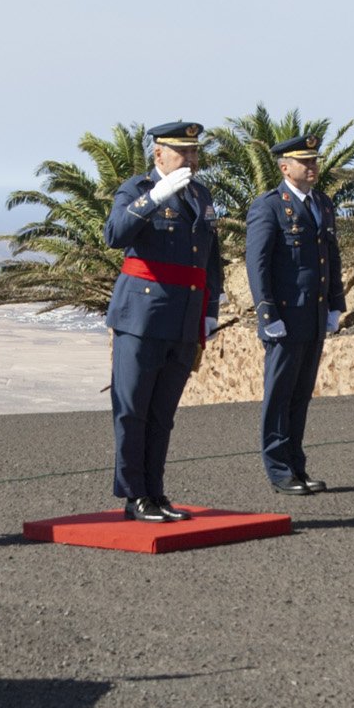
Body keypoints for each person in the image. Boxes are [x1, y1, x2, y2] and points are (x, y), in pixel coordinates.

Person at [106, 121, 223, 522]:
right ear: (159, 155)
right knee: (132, 408)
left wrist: (210, 312)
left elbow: (211, 258)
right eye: (182, 152)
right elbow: (115, 234)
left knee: (162, 413)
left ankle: (155, 492)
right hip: (141, 316)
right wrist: (154, 197)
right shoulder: (137, 190)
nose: (191, 159)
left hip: (184, 318)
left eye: (194, 152)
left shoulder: (200, 195)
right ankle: (134, 494)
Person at [245, 133, 344, 495]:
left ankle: (297, 465)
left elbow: (331, 257)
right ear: (285, 167)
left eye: (314, 160)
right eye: (305, 162)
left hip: (314, 315)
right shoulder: (269, 206)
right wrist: (267, 314)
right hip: (285, 316)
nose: (313, 166)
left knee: (301, 395)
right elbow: (257, 265)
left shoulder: (323, 203)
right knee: (279, 395)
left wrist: (336, 304)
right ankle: (278, 469)